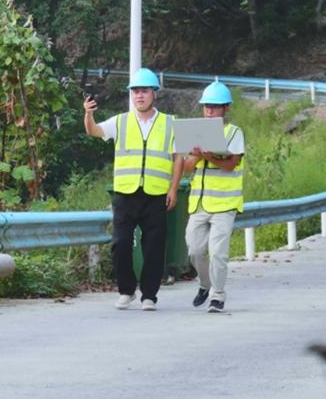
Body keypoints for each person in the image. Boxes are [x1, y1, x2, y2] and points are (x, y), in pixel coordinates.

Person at [84, 68, 183, 311]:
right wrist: (88, 115)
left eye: (144, 91)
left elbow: (178, 158)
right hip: (126, 194)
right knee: (120, 244)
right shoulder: (121, 121)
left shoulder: (171, 123)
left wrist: (173, 189)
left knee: (154, 247)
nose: (140, 96)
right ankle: (126, 290)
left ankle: (149, 295)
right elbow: (94, 131)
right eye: (136, 91)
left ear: (154, 94)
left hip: (156, 194)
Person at [182, 81, 244, 313]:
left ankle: (218, 295)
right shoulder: (196, 132)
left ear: (225, 108)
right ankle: (204, 284)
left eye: (215, 107)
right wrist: (198, 155)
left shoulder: (234, 132)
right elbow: (188, 167)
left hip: (225, 204)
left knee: (218, 252)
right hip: (199, 203)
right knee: (194, 250)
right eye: (207, 106)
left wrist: (211, 156)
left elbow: (231, 164)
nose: (209, 111)